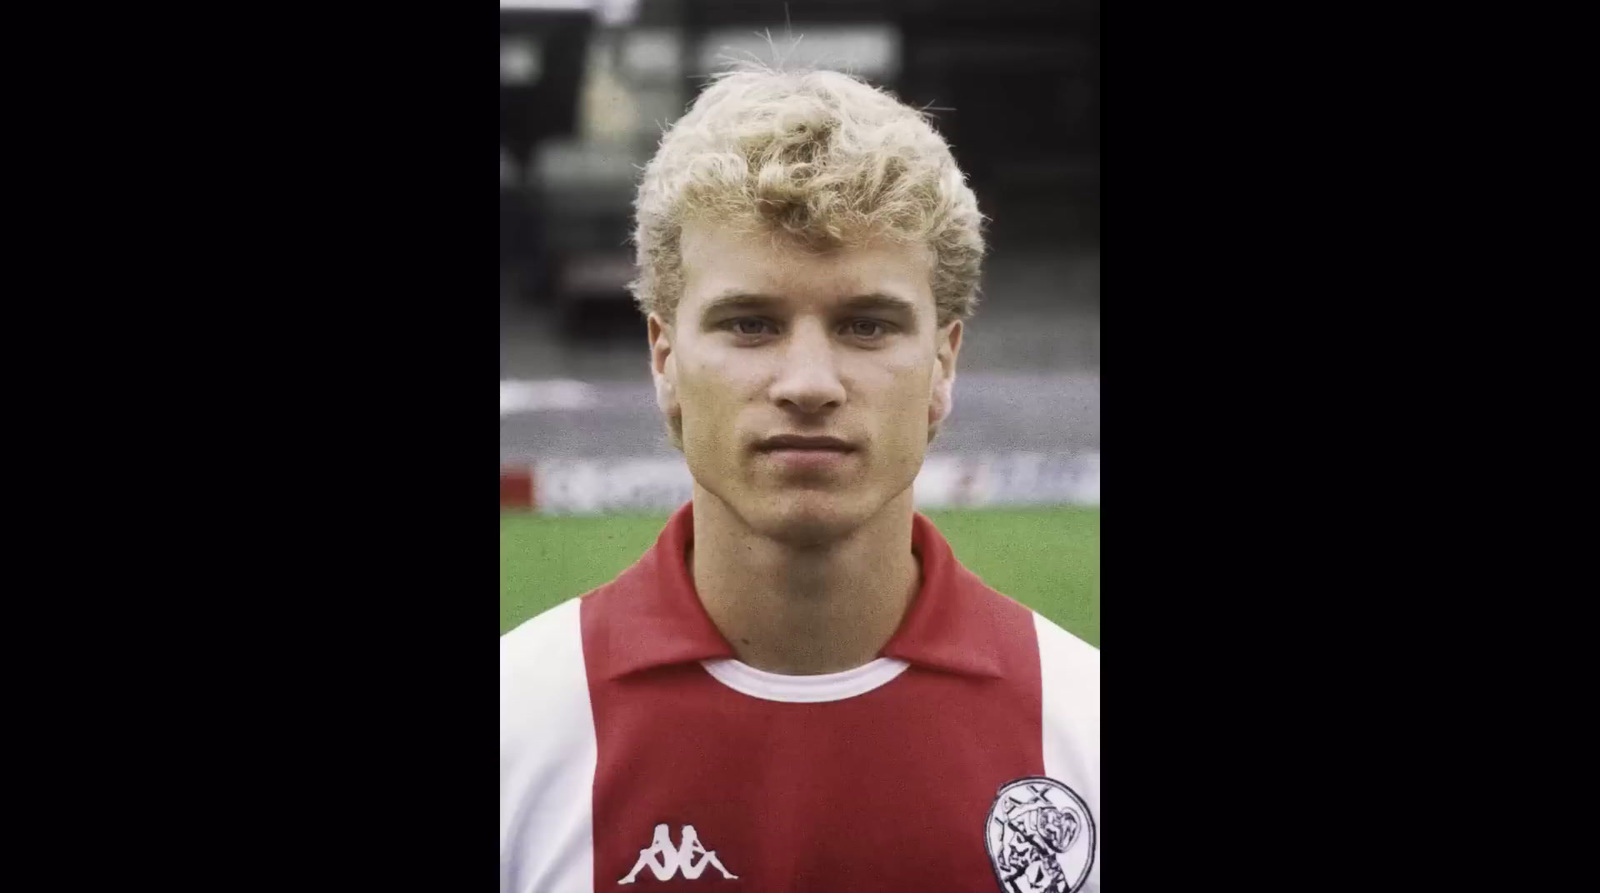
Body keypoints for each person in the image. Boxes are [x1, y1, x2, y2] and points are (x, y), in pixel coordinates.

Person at [500, 63, 1100, 893]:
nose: (809, 381)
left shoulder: (1084, 727)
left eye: (867, 324)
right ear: (664, 357)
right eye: (750, 323)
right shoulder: (517, 727)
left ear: (943, 363)